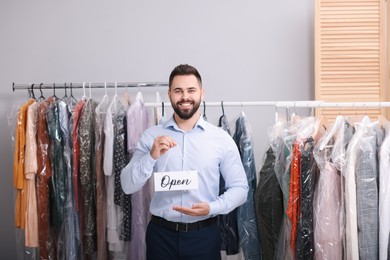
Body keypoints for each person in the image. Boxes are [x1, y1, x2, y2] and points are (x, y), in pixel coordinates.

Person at [120, 64, 249, 260]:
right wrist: (151, 156)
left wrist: (213, 207)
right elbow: (127, 185)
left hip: (204, 236)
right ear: (170, 94)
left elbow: (240, 188)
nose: (185, 97)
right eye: (178, 91)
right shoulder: (151, 137)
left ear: (201, 93)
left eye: (191, 90)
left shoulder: (221, 139)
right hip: (161, 237)